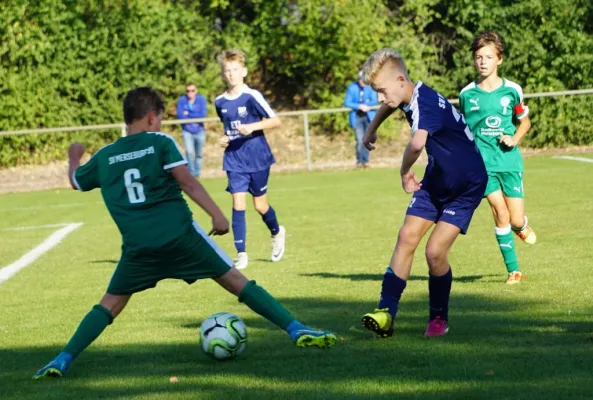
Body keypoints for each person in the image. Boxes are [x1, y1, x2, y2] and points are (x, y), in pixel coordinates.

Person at [32, 87, 336, 380]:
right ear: (152, 117)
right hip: (181, 237)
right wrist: (216, 214)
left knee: (109, 304)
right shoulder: (160, 142)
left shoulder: (106, 156)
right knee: (235, 280)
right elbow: (186, 181)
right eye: (160, 118)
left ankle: (62, 358)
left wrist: (74, 155)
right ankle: (296, 329)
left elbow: (76, 181)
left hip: (140, 248)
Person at [359, 48, 487, 338]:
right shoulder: (409, 94)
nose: (379, 98)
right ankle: (386, 313)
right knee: (406, 236)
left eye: (381, 90)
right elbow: (392, 104)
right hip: (437, 180)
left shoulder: (425, 104)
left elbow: (417, 145)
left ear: (400, 79)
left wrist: (404, 172)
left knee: (434, 252)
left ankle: (439, 318)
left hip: (466, 186)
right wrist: (372, 128)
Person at [459, 31, 536, 285]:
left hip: (509, 161)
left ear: (499, 60)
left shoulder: (512, 91)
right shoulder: (467, 95)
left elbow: (524, 122)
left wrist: (514, 138)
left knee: (514, 218)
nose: (482, 61)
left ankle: (522, 226)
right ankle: (513, 270)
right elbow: (464, 132)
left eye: (488, 57)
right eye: (478, 57)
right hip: (482, 165)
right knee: (498, 211)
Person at [215, 49, 285, 270]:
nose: (232, 74)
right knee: (238, 203)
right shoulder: (219, 102)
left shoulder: (252, 96)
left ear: (243, 71)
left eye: (235, 70)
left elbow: (275, 121)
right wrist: (226, 138)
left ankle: (277, 232)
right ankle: (241, 253)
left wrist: (252, 127)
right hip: (234, 159)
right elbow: (228, 128)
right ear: (223, 74)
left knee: (260, 205)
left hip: (257, 157)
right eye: (228, 71)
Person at [344, 70, 378, 168]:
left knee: (367, 140)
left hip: (368, 117)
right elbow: (347, 102)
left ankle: (366, 161)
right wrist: (359, 106)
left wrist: (366, 105)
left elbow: (374, 100)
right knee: (360, 140)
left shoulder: (370, 87)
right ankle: (359, 162)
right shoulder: (352, 87)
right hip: (357, 117)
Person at [176, 83, 207, 177]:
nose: (190, 92)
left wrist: (188, 114)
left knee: (199, 154)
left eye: (192, 90)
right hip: (187, 130)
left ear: (196, 91)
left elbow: (202, 114)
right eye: (188, 91)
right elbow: (180, 116)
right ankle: (192, 174)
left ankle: (197, 173)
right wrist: (192, 115)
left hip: (200, 130)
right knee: (189, 152)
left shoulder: (201, 99)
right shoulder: (182, 100)